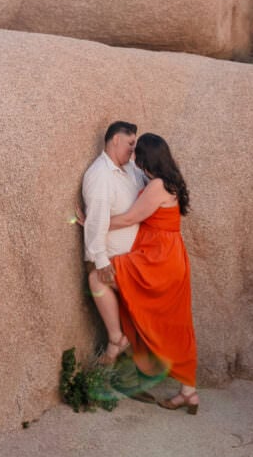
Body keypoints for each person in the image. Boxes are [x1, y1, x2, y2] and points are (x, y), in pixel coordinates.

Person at [93, 133, 199, 413]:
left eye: (136, 153)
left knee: (96, 278)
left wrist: (93, 223)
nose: (133, 158)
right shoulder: (169, 181)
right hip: (169, 257)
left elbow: (130, 218)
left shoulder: (157, 185)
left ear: (145, 158)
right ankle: (189, 392)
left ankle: (117, 339)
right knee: (174, 323)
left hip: (157, 258)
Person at [82, 121, 147, 365]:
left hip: (139, 256)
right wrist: (100, 259)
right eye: (130, 144)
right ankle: (116, 339)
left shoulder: (131, 170)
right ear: (116, 140)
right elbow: (98, 220)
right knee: (96, 279)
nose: (133, 150)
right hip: (118, 259)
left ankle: (118, 342)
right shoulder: (100, 176)